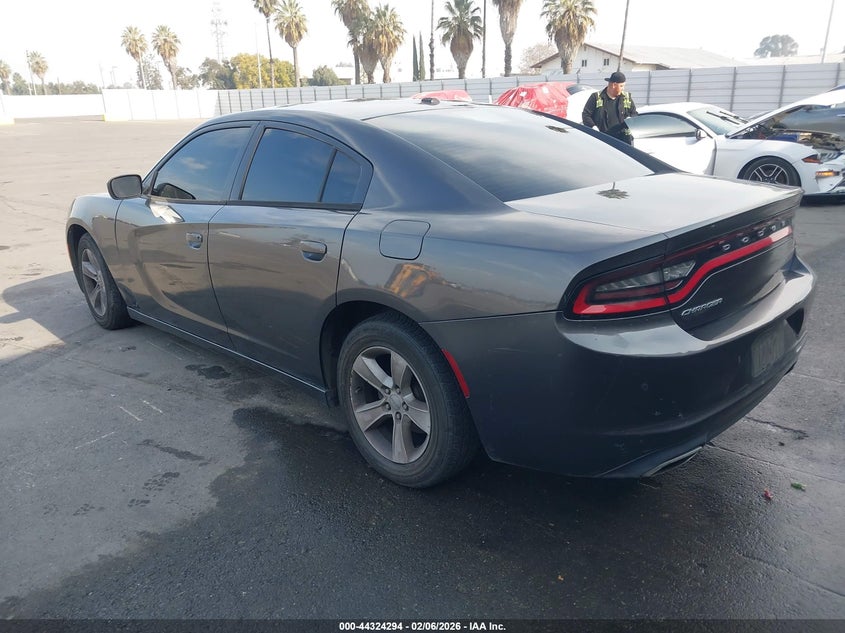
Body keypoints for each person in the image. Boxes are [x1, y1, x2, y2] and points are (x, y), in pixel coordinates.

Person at [582, 71, 638, 144]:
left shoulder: (626, 97)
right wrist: (593, 127)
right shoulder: (596, 97)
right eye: (621, 86)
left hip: (624, 141)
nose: (623, 89)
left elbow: (634, 114)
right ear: (614, 85)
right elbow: (586, 115)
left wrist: (630, 119)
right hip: (603, 141)